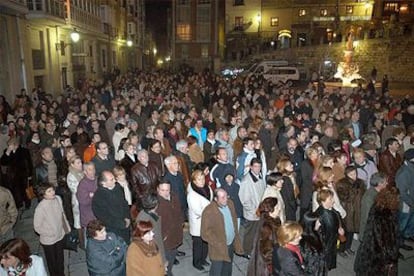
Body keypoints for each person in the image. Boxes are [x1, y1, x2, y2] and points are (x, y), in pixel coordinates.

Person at [354, 187, 400, 275]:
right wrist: (391, 259)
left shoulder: (376, 207)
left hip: (369, 248)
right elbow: (386, 240)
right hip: (379, 256)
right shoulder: (388, 216)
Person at [201, 188, 244, 276]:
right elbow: (205, 233)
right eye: (222, 197)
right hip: (218, 248)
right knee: (217, 270)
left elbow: (234, 222)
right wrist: (218, 243)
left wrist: (236, 239)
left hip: (230, 244)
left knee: (228, 268)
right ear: (216, 199)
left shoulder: (230, 204)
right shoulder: (209, 211)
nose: (226, 199)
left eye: (226, 196)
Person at [33, 184, 70, 276]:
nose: (53, 192)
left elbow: (62, 214)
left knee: (60, 259)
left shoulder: (57, 199)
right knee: (52, 262)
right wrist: (50, 232)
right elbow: (37, 227)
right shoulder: (41, 208)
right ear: (43, 195)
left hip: (60, 235)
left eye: (52, 190)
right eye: (49, 191)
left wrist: (66, 228)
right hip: (49, 240)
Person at [92, 170, 131, 243]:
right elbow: (104, 217)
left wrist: (127, 217)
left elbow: (125, 203)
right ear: (103, 183)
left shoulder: (118, 188)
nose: (115, 181)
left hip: (125, 224)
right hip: (113, 229)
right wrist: (121, 224)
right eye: (111, 179)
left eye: (114, 178)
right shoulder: (99, 197)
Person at [335, 165, 365, 256]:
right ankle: (340, 249)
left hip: (356, 211)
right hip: (347, 212)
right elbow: (343, 197)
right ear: (346, 174)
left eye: (355, 173)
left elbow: (363, 195)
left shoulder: (360, 182)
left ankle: (348, 247)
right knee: (344, 232)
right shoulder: (341, 183)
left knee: (351, 232)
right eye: (351, 174)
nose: (354, 175)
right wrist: (353, 190)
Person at [239, 158, 266, 257]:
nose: (258, 169)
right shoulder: (246, 181)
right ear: (250, 167)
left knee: (257, 232)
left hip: (259, 210)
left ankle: (254, 248)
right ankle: (246, 251)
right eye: (255, 166)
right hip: (253, 213)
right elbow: (244, 199)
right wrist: (254, 210)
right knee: (249, 233)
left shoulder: (259, 176)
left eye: (259, 166)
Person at [156, 180, 184, 276]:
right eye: (162, 190)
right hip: (165, 239)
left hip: (176, 234)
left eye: (167, 190)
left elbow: (179, 210)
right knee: (166, 262)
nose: (165, 193)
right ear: (157, 189)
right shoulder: (156, 204)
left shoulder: (174, 196)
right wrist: (163, 237)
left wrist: (181, 221)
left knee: (172, 256)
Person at [248, 197, 282, 275]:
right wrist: (274, 266)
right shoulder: (267, 228)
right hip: (265, 267)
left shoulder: (270, 220)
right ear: (270, 211)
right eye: (277, 207)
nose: (279, 209)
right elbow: (267, 252)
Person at [187, 170, 213, 271]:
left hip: (207, 221)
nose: (202, 181)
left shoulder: (208, 188)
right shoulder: (191, 194)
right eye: (199, 179)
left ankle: (203, 259)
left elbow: (210, 200)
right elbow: (197, 210)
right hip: (198, 223)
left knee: (205, 243)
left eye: (203, 179)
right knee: (198, 244)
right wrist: (211, 212)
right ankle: (196, 262)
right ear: (194, 181)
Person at [314, 189, 344, 271]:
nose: (333, 201)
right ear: (323, 201)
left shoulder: (326, 210)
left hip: (329, 244)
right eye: (330, 199)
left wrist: (338, 228)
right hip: (327, 246)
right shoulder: (325, 216)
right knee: (324, 265)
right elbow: (326, 236)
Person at [359, 172, 389, 242]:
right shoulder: (369, 197)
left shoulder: (380, 192)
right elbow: (367, 216)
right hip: (370, 231)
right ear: (379, 184)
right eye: (385, 182)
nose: (387, 183)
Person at [395, 149, 414, 250]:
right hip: (406, 205)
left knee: (410, 221)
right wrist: (412, 203)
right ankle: (398, 243)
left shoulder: (411, 168)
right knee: (402, 225)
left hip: (411, 202)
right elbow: (402, 193)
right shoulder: (403, 173)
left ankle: (407, 236)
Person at [76, 162, 98, 249]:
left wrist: (92, 195)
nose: (92, 171)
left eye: (93, 169)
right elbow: (83, 201)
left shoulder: (97, 179)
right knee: (90, 242)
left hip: (98, 215)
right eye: (89, 169)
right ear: (85, 172)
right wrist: (92, 196)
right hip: (89, 217)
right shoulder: (82, 184)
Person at [300, 212, 327, 276]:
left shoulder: (316, 232)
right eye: (317, 222)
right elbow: (310, 267)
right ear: (311, 225)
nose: (320, 224)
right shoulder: (306, 244)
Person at [66, 155, 84, 245]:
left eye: (81, 162)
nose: (81, 164)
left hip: (86, 199)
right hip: (78, 201)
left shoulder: (81, 172)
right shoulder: (71, 176)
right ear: (72, 164)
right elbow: (76, 189)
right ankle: (81, 242)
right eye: (78, 163)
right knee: (79, 222)